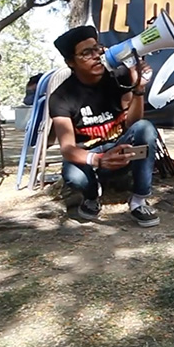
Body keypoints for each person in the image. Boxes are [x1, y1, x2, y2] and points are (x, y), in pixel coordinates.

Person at [49, 25, 160, 227]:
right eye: (86, 53)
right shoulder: (61, 97)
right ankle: (92, 196)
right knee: (74, 176)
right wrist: (99, 160)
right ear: (70, 62)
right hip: (88, 157)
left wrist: (138, 89)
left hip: (118, 149)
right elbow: (67, 149)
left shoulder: (118, 77)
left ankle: (139, 200)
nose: (96, 56)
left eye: (97, 49)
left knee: (146, 127)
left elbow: (134, 125)